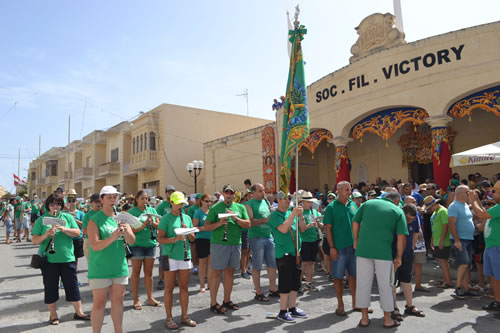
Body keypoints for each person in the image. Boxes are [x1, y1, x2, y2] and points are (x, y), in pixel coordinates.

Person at [31, 193, 90, 326]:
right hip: (49, 261)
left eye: (58, 204)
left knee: (72, 286)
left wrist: (64, 229)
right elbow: (34, 239)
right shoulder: (42, 220)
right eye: (52, 204)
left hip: (67, 258)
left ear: (61, 205)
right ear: (48, 206)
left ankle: (79, 312)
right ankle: (53, 314)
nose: (55, 206)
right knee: (51, 287)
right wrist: (46, 234)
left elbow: (77, 233)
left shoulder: (67, 217)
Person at [352, 191, 408, 328]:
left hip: (363, 250)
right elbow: (402, 237)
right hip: (383, 253)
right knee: (386, 286)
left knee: (363, 284)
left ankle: (364, 318)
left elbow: (355, 221)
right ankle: (387, 319)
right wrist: (399, 257)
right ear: (396, 201)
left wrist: (356, 240)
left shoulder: (367, 203)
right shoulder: (397, 210)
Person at [87, 185, 135, 333]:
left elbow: (132, 241)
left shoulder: (122, 217)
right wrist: (113, 236)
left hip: (119, 266)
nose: (113, 200)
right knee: (99, 303)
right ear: (101, 200)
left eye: (115, 197)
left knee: (118, 301)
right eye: (109, 197)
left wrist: (126, 230)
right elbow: (94, 246)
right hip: (100, 267)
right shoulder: (94, 220)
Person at [204, 184, 250, 314]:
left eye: (231, 193)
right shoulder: (215, 208)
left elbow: (248, 224)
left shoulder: (240, 207)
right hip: (219, 243)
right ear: (223, 194)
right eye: (226, 192)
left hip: (235, 243)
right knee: (217, 273)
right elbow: (207, 227)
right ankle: (213, 303)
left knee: (230, 273)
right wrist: (220, 223)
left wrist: (236, 218)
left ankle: (227, 300)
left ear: (234, 195)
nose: (229, 195)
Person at [158, 191, 197, 329]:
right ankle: (168, 318)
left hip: (185, 256)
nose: (181, 206)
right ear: (172, 203)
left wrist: (188, 232)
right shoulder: (165, 218)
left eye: (183, 203)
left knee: (184, 286)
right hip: (169, 256)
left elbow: (192, 239)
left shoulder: (186, 218)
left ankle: (185, 316)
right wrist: (174, 238)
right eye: (178, 203)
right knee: (169, 288)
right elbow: (160, 239)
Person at [269, 191, 308, 323]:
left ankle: (292, 308)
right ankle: (282, 311)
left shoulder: (292, 213)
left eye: (289, 198)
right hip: (283, 253)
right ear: (278, 200)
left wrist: (301, 216)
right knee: (285, 283)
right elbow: (284, 229)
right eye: (286, 199)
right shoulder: (275, 215)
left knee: (295, 283)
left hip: (296, 253)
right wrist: (292, 214)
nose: (288, 201)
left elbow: (302, 229)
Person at [324, 181, 360, 316]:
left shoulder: (353, 205)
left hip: (354, 247)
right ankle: (340, 305)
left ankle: (356, 303)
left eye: (350, 189)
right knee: (338, 277)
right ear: (338, 190)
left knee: (354, 276)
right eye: (346, 190)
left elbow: (358, 223)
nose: (349, 192)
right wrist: (332, 247)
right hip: (339, 248)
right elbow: (328, 229)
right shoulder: (331, 207)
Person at [468, 181, 500, 311]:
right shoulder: (497, 207)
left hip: (497, 246)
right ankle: (498, 301)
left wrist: (472, 200)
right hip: (491, 246)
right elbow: (483, 213)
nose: (492, 194)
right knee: (492, 276)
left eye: (495, 191)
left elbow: (481, 215)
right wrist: (476, 200)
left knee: (498, 276)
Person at [128, 190, 162, 310]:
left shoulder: (152, 210)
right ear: (136, 199)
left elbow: (159, 224)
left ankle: (150, 298)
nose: (145, 201)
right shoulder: (132, 212)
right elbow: (130, 229)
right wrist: (143, 226)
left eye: (146, 198)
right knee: (136, 273)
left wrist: (153, 223)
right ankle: (136, 299)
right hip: (137, 244)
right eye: (142, 198)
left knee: (149, 273)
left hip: (150, 244)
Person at [245, 183, 279, 301]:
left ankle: (272, 288)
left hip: (268, 235)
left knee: (272, 264)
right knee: (257, 265)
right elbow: (250, 221)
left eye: (263, 190)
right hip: (256, 237)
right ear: (253, 193)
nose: (263, 193)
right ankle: (258, 292)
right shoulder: (249, 204)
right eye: (260, 191)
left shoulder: (266, 202)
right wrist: (265, 220)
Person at [392, 204, 425, 321]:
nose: (410, 221)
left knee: (407, 280)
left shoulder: (414, 220)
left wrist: (411, 247)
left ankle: (409, 306)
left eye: (413, 219)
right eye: (408, 218)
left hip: (407, 255)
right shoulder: (395, 219)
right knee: (393, 282)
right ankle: (394, 308)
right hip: (394, 255)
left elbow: (416, 233)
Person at [448, 185, 478, 299]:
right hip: (460, 239)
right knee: (464, 263)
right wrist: (456, 240)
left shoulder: (465, 205)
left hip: (468, 238)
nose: (469, 193)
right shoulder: (454, 206)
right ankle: (459, 287)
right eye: (467, 192)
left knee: (467, 264)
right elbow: (451, 224)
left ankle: (465, 287)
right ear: (461, 193)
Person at [299, 191, 323, 292]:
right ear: (303, 202)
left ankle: (309, 283)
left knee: (311, 263)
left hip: (314, 240)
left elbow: (322, 225)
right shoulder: (299, 212)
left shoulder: (314, 211)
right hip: (304, 241)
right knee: (304, 263)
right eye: (308, 202)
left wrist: (318, 223)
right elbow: (302, 229)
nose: (310, 203)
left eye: (311, 202)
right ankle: (298, 284)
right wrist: (310, 225)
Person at [156, 185, 176, 290]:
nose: (171, 194)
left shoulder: (176, 204)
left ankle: (173, 278)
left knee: (175, 257)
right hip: (165, 237)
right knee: (164, 258)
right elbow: (157, 219)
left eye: (173, 192)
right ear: (166, 193)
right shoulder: (161, 206)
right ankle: (161, 279)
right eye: (169, 192)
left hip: (176, 237)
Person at [192, 193, 213, 293]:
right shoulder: (198, 212)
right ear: (202, 201)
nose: (208, 203)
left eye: (210, 201)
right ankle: (202, 284)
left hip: (211, 239)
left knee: (210, 262)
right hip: (201, 239)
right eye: (206, 201)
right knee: (202, 262)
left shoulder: (211, 212)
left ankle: (209, 283)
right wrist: (205, 228)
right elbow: (194, 227)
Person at [65, 190, 85, 285]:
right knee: (66, 260)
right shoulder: (64, 213)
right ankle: (64, 280)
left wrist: (75, 220)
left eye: (73, 200)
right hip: (66, 238)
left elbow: (84, 225)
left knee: (75, 260)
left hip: (77, 238)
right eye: (69, 200)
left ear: (76, 202)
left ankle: (74, 279)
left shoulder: (81, 213)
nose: (71, 202)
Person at [82, 194, 101, 260]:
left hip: (103, 240)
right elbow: (84, 230)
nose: (98, 204)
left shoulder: (104, 213)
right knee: (92, 264)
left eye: (100, 201)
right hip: (90, 241)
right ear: (91, 203)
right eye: (96, 202)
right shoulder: (87, 215)